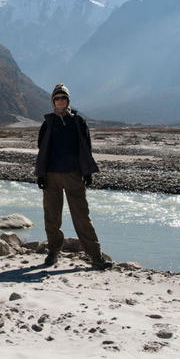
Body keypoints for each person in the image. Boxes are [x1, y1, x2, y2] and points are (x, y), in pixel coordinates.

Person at [35, 83, 112, 270]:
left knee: (82, 217)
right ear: (53, 101)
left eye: (63, 98)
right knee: (52, 217)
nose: (60, 101)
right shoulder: (48, 123)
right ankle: (53, 252)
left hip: (73, 174)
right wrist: (41, 174)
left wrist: (87, 172)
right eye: (57, 98)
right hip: (52, 175)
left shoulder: (78, 122)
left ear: (68, 100)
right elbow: (41, 148)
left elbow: (86, 147)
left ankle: (96, 256)